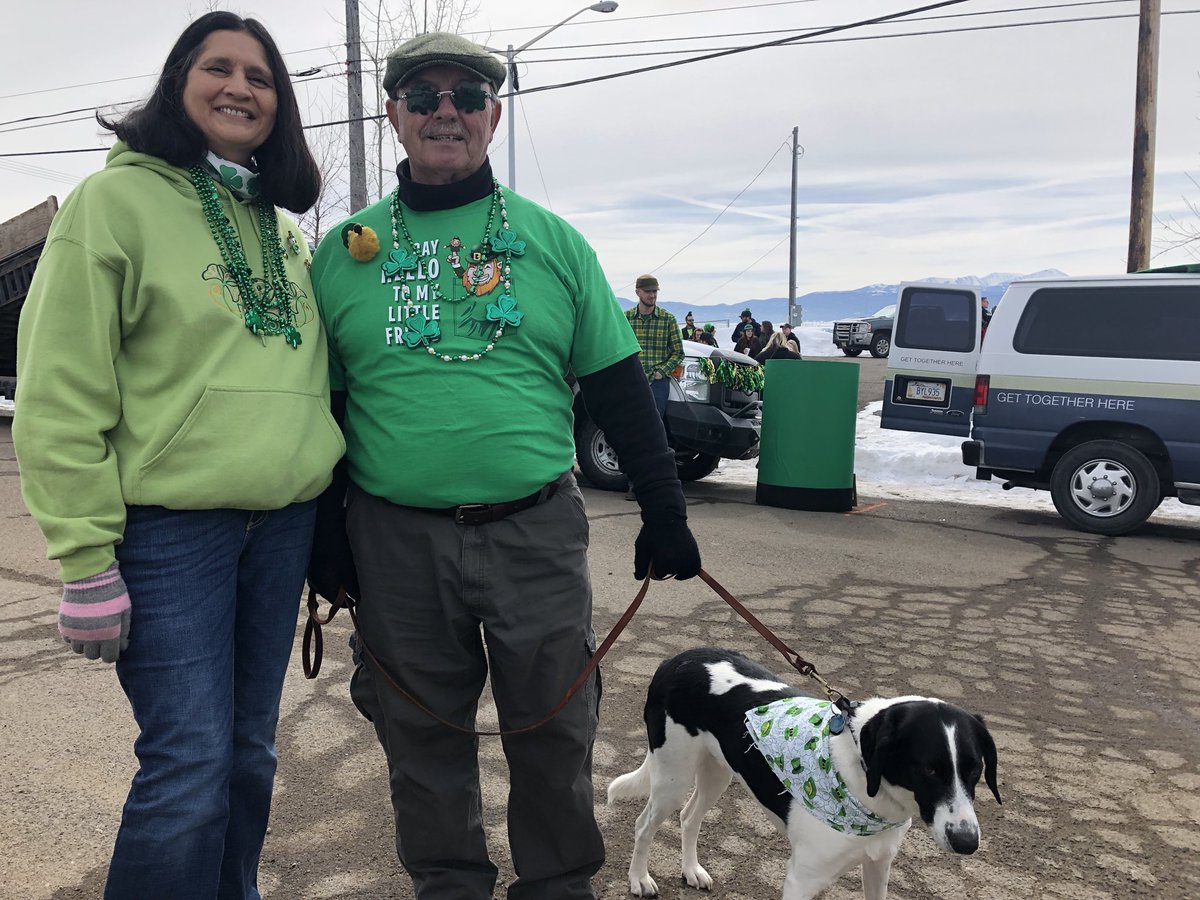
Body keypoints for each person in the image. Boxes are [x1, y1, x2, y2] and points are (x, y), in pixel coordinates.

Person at [306, 32, 702, 900]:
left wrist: (664, 507)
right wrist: (323, 539)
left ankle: (558, 886)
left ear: (493, 113)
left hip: (534, 531)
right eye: (422, 94)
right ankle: (447, 885)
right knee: (420, 735)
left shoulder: (554, 243)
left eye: (466, 95)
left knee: (555, 731)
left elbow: (619, 389)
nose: (444, 109)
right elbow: (322, 410)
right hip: (394, 542)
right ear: (393, 116)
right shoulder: (343, 253)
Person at [11, 12, 342, 898]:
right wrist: (84, 560)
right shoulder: (110, 204)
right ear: (176, 83)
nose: (240, 87)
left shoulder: (283, 233)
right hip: (166, 535)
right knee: (189, 769)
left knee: (248, 760)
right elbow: (59, 390)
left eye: (261, 77)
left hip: (281, 529)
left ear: (281, 108)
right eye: (217, 67)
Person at [624, 274, 684, 499]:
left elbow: (678, 352)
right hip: (633, 383)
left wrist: (662, 371)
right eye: (648, 291)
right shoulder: (626, 318)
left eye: (655, 291)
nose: (652, 295)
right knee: (632, 432)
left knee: (654, 433)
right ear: (638, 292)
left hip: (658, 383)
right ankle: (634, 483)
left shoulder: (667, 319)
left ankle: (653, 485)